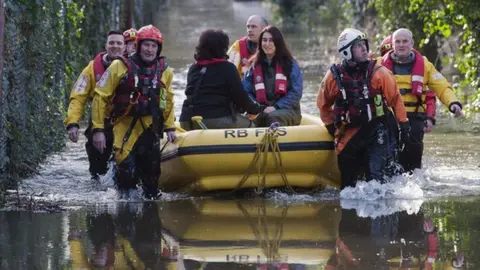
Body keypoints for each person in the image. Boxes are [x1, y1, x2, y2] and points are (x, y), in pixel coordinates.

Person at [91, 24, 177, 199]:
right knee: (126, 173)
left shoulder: (164, 71)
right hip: (124, 124)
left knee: (152, 179)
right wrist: (98, 129)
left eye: (154, 46)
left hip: (150, 125)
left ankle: (149, 217)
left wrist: (170, 127)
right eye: (146, 45)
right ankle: (124, 212)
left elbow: (167, 100)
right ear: (138, 46)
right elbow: (100, 97)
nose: (150, 50)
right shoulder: (119, 67)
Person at [317, 28, 409, 189]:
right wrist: (331, 128)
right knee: (348, 187)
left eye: (364, 44)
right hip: (348, 135)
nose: (364, 49)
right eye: (358, 46)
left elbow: (395, 99)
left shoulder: (379, 73)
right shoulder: (333, 77)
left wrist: (403, 124)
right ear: (346, 51)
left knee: (377, 182)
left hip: (376, 132)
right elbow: (323, 105)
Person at [381, 28, 463, 173]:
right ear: (392, 45)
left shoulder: (425, 65)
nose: (401, 45)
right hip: (389, 117)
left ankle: (413, 184)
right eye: (397, 42)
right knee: (387, 153)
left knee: (413, 157)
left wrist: (453, 103)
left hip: (414, 117)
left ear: (412, 43)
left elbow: (442, 87)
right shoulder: (378, 64)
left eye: (405, 41)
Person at [64, 30, 125, 181]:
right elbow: (78, 97)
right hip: (101, 121)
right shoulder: (91, 69)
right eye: (111, 42)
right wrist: (73, 123)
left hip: (125, 121)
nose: (115, 46)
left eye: (119, 43)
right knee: (98, 171)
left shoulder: (132, 67)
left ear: (125, 47)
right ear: (106, 46)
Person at [179, 29, 264, 130]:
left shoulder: (194, 68)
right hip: (214, 119)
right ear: (222, 48)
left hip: (186, 120)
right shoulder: (227, 68)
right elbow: (241, 98)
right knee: (253, 128)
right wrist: (257, 109)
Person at [242, 26, 303, 127]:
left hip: (287, 110)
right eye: (264, 40)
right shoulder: (254, 66)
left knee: (273, 117)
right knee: (247, 119)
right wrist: (256, 107)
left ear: (278, 43)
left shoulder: (291, 65)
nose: (267, 44)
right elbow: (246, 90)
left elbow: (296, 92)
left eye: (271, 40)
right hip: (261, 109)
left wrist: (276, 107)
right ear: (260, 43)